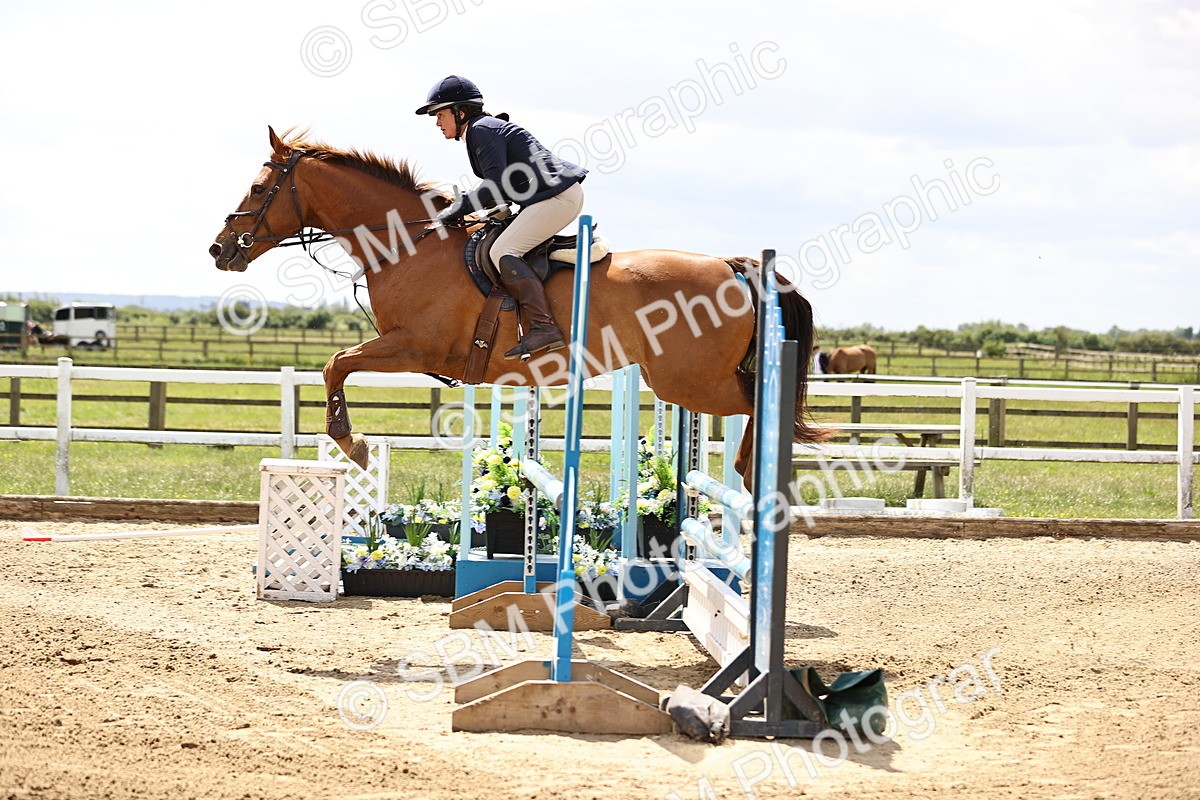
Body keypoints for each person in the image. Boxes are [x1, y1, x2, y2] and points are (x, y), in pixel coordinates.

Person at [416, 75, 588, 360]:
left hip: (558, 198)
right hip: (549, 197)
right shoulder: (483, 129)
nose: (437, 123)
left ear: (460, 112)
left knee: (502, 251)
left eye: (440, 114)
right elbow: (503, 189)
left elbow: (494, 185)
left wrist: (457, 208)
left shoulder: (481, 130)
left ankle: (544, 328)